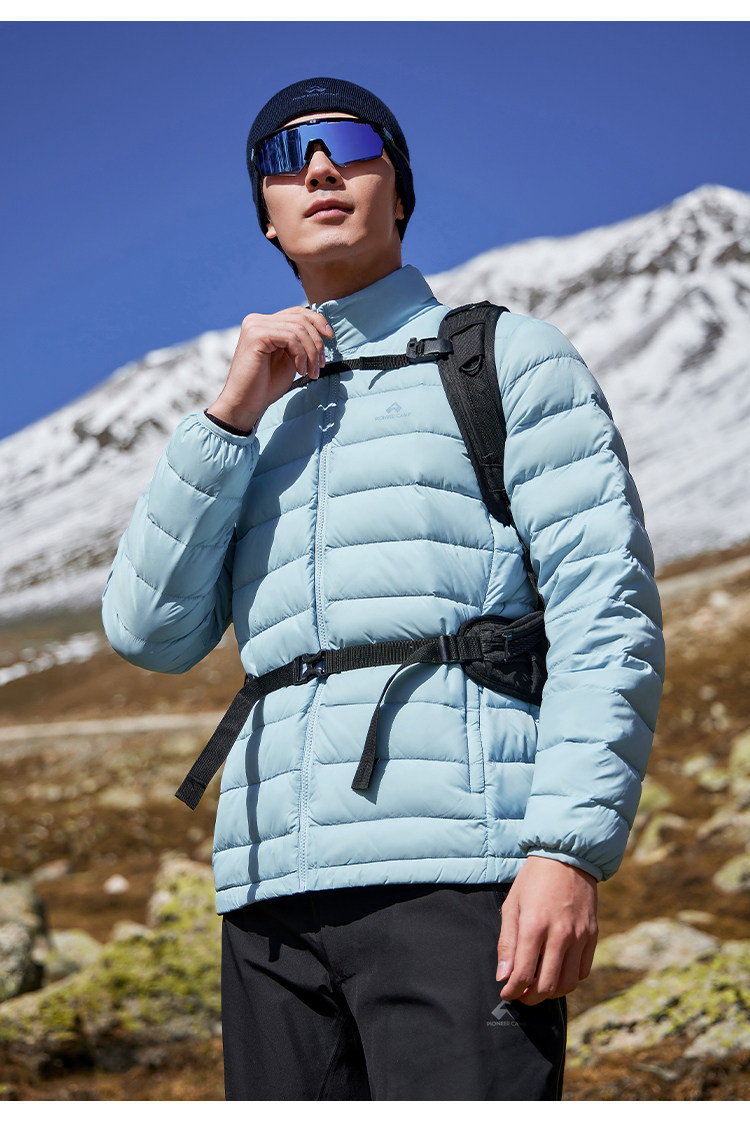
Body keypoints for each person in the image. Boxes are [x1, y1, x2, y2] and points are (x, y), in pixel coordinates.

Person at [102, 76, 665, 1101]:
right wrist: (226, 420)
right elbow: (149, 630)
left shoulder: (506, 359)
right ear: (267, 217)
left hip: (457, 873)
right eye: (286, 156)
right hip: (268, 891)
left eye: (350, 144)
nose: (319, 167)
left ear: (399, 191)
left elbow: (605, 613)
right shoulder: (256, 414)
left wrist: (565, 851)